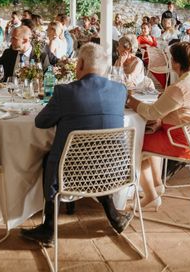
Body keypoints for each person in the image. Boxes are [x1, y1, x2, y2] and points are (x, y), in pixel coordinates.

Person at [20, 44, 133, 245]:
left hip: (71, 175)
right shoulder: (120, 90)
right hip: (117, 170)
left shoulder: (65, 92)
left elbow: (41, 122)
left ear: (79, 64)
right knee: (99, 152)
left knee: (48, 157)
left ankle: (49, 227)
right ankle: (114, 215)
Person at [127, 42, 190, 210]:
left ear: (177, 63)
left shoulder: (179, 87)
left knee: (136, 145)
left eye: (172, 58)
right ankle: (157, 186)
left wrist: (129, 100)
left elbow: (151, 113)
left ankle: (150, 195)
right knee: (150, 134)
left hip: (182, 143)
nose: (170, 61)